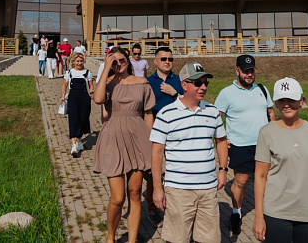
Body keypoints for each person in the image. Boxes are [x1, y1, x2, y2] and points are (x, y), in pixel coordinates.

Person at [150, 62, 228, 243]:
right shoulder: (166, 114)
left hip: (208, 189)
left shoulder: (212, 112)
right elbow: (156, 152)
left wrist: (223, 169)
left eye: (205, 83)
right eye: (198, 83)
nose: (203, 87)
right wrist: (157, 188)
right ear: (184, 85)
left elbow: (221, 141)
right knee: (177, 239)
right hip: (178, 190)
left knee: (209, 239)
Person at [253, 77, 308, 243]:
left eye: (291, 99)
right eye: (281, 100)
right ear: (275, 102)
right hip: (276, 214)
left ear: (301, 100)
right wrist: (259, 216)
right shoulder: (266, 132)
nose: (286, 104)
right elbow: (260, 176)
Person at [92, 47, 155, 243]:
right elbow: (98, 99)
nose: (118, 64)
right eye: (114, 61)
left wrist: (152, 142)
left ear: (129, 61)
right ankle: (110, 237)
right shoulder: (108, 83)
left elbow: (147, 113)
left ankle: (132, 240)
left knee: (135, 193)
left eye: (122, 60)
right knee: (118, 198)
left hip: (139, 137)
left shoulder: (142, 82)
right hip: (114, 136)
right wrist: (105, 70)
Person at [214, 54, 276, 234]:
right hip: (240, 145)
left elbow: (271, 112)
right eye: (245, 71)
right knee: (241, 182)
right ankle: (236, 212)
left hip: (264, 144)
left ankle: (267, 213)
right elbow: (216, 118)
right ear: (237, 71)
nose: (249, 75)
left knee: (268, 181)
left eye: (251, 71)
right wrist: (223, 139)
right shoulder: (226, 93)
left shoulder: (262, 90)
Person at [145, 46, 184, 226]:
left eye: (170, 59)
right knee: (156, 171)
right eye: (163, 59)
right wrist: (151, 135)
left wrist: (174, 93)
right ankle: (153, 208)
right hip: (156, 132)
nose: (167, 61)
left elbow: (189, 101)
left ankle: (175, 206)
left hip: (178, 131)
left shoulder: (179, 80)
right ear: (155, 61)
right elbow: (145, 110)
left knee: (177, 170)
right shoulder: (147, 82)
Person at [60, 53, 94, 157]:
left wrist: (91, 94)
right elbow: (64, 85)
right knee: (73, 119)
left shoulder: (87, 73)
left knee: (83, 119)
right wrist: (62, 96)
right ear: (73, 62)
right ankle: (74, 146)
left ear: (83, 61)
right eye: (77, 61)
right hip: (73, 98)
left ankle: (79, 140)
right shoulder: (69, 72)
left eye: (81, 61)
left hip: (84, 98)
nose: (79, 63)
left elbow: (91, 86)